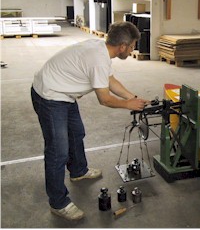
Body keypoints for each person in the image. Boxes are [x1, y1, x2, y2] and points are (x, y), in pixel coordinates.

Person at [31, 21, 148, 221]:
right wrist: (127, 105)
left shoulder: (101, 48)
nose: (133, 49)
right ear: (122, 46)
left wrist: (133, 98)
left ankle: (78, 171)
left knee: (77, 133)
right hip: (50, 96)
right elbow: (105, 99)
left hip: (64, 94)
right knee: (57, 152)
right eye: (132, 46)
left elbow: (110, 81)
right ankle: (58, 203)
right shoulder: (99, 58)